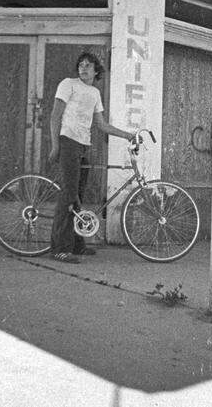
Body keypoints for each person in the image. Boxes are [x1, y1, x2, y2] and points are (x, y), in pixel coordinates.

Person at [47, 52, 135, 264]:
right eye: (81, 65)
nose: (83, 68)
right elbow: (55, 115)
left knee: (77, 195)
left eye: (88, 65)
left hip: (83, 145)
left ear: (96, 71)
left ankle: (77, 245)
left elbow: (101, 124)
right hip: (68, 141)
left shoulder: (94, 93)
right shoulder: (68, 84)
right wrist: (55, 145)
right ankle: (59, 249)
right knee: (68, 195)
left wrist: (127, 135)